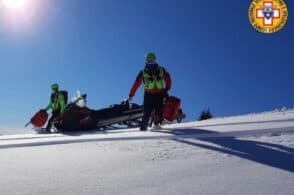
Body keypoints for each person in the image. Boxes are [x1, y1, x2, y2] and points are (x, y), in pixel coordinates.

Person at [128, 52, 171, 131]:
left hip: (159, 93)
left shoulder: (161, 69)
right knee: (147, 111)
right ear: (146, 60)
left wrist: (167, 88)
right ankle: (143, 128)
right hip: (149, 94)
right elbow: (136, 83)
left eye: (152, 60)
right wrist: (131, 94)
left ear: (155, 60)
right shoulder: (143, 72)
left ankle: (156, 125)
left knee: (158, 110)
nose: (150, 62)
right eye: (149, 60)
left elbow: (167, 78)